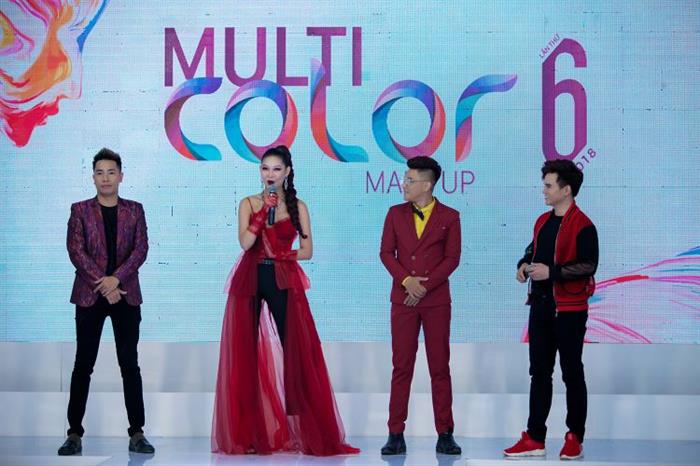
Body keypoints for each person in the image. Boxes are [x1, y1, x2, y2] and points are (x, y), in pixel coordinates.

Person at [211, 145, 359, 456]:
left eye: (276, 169)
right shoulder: (248, 203)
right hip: (250, 277)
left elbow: (307, 251)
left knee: (298, 350)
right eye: (265, 168)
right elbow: (245, 242)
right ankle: (248, 434)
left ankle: (310, 432)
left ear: (287, 172)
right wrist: (261, 213)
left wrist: (284, 255)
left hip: (283, 277)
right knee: (244, 354)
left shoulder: (298, 207)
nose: (270, 174)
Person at [59, 148, 154, 455]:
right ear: (93, 177)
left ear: (121, 176)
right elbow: (76, 250)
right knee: (83, 364)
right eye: (100, 173)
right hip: (91, 295)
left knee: (130, 364)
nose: (105, 178)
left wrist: (117, 280)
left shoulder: (135, 210)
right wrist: (104, 283)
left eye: (111, 172)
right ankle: (74, 434)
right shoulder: (80, 210)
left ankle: (137, 432)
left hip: (125, 294)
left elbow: (140, 250)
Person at [504, 159, 598, 460]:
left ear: (566, 190)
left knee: (572, 372)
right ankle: (535, 437)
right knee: (539, 373)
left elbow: (588, 265)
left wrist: (552, 273)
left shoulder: (584, 225)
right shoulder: (543, 221)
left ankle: (574, 437)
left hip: (570, 310)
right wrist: (523, 265)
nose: (543, 190)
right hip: (541, 308)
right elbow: (532, 250)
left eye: (548, 186)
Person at [379, 156, 462, 456]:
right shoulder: (394, 213)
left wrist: (424, 286)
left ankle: (445, 433)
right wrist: (407, 281)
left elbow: (452, 258)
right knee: (401, 366)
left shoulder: (450, 216)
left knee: (439, 366)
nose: (404, 184)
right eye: (405, 179)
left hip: (435, 301)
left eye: (410, 180)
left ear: (427, 185)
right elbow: (386, 253)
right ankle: (395, 433)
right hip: (403, 300)